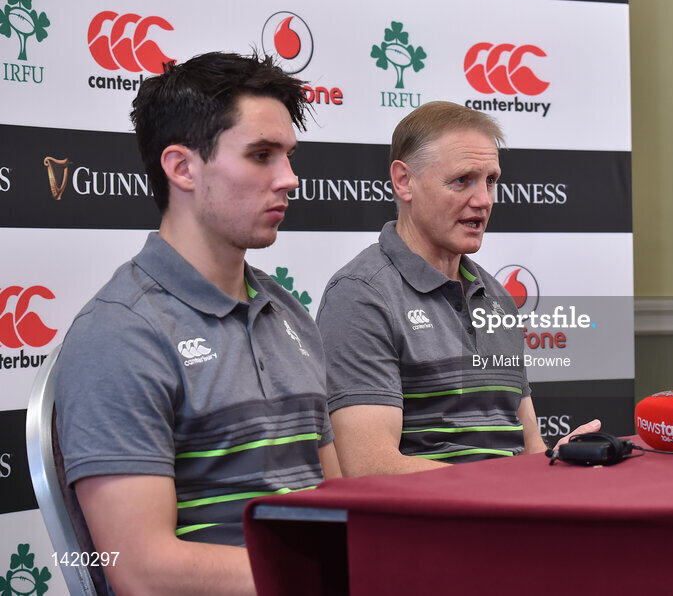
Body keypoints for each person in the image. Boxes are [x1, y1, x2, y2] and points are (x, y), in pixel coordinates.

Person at [53, 52, 341, 595]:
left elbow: (335, 501)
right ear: (183, 168)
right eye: (261, 155)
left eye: (288, 156)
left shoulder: (290, 313)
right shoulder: (119, 334)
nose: (290, 179)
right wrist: (328, 574)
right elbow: (140, 570)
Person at [317, 101, 599, 476]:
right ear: (404, 181)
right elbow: (369, 468)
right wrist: (503, 486)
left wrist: (555, 463)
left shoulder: (496, 295)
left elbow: (530, 447)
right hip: (427, 528)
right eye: (462, 180)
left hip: (508, 515)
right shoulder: (360, 295)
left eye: (491, 180)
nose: (483, 200)